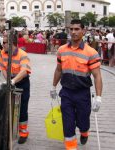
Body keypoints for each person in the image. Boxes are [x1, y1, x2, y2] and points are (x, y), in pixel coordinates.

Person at [50, 19, 103, 150]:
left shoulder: (91, 52)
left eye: (77, 29)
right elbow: (58, 70)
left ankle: (84, 132)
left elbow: (97, 75)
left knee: (83, 121)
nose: (73, 32)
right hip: (66, 92)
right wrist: (53, 86)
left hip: (82, 93)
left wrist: (98, 97)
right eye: (71, 29)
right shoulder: (62, 50)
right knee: (67, 124)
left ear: (83, 31)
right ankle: (71, 147)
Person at [0, 33, 31, 144]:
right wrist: (8, 81)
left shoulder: (22, 54)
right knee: (9, 107)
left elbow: (24, 71)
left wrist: (14, 81)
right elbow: (3, 68)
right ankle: (10, 130)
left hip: (22, 83)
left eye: (5, 43)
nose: (3, 45)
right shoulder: (3, 53)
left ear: (12, 43)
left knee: (22, 108)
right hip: (10, 82)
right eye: (3, 42)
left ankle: (23, 133)